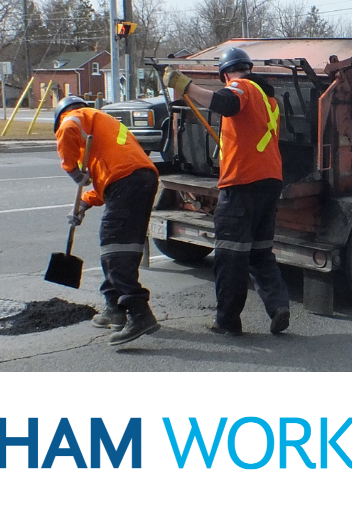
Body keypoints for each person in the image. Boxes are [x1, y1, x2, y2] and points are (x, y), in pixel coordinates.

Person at [163, 48, 291, 336]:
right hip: (270, 182)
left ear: (225, 73)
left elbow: (226, 103)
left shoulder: (241, 86)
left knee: (230, 255)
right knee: (260, 253)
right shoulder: (269, 99)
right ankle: (278, 305)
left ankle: (227, 320)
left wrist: (186, 86)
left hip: (242, 184)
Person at [53, 95, 161, 346]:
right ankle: (114, 308)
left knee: (114, 249)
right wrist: (83, 204)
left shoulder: (78, 117)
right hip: (140, 181)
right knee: (124, 249)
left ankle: (139, 312)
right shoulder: (103, 127)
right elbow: (106, 182)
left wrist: (72, 170)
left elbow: (68, 128)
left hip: (127, 183)